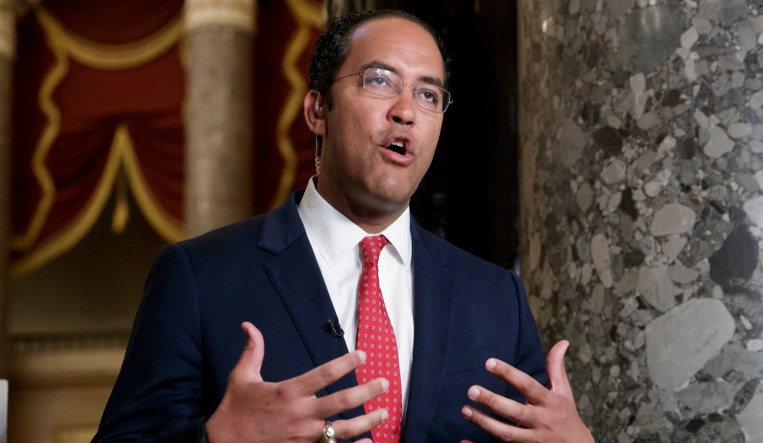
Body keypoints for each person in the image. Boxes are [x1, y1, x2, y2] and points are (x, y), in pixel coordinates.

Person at [93, 9, 596, 443]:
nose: (406, 112)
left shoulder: (494, 296)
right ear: (317, 110)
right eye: (379, 80)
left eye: (428, 94)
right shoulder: (199, 278)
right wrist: (215, 437)